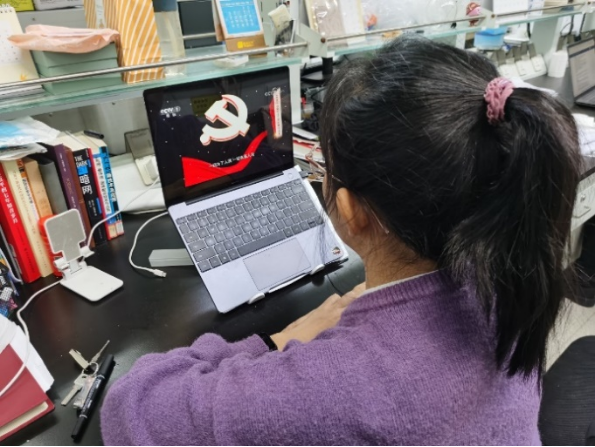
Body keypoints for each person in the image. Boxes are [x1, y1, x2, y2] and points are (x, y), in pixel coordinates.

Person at [100, 36, 581, 445]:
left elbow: (128, 410)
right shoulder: (514, 287)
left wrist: (281, 338)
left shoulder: (327, 388)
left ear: (351, 210)